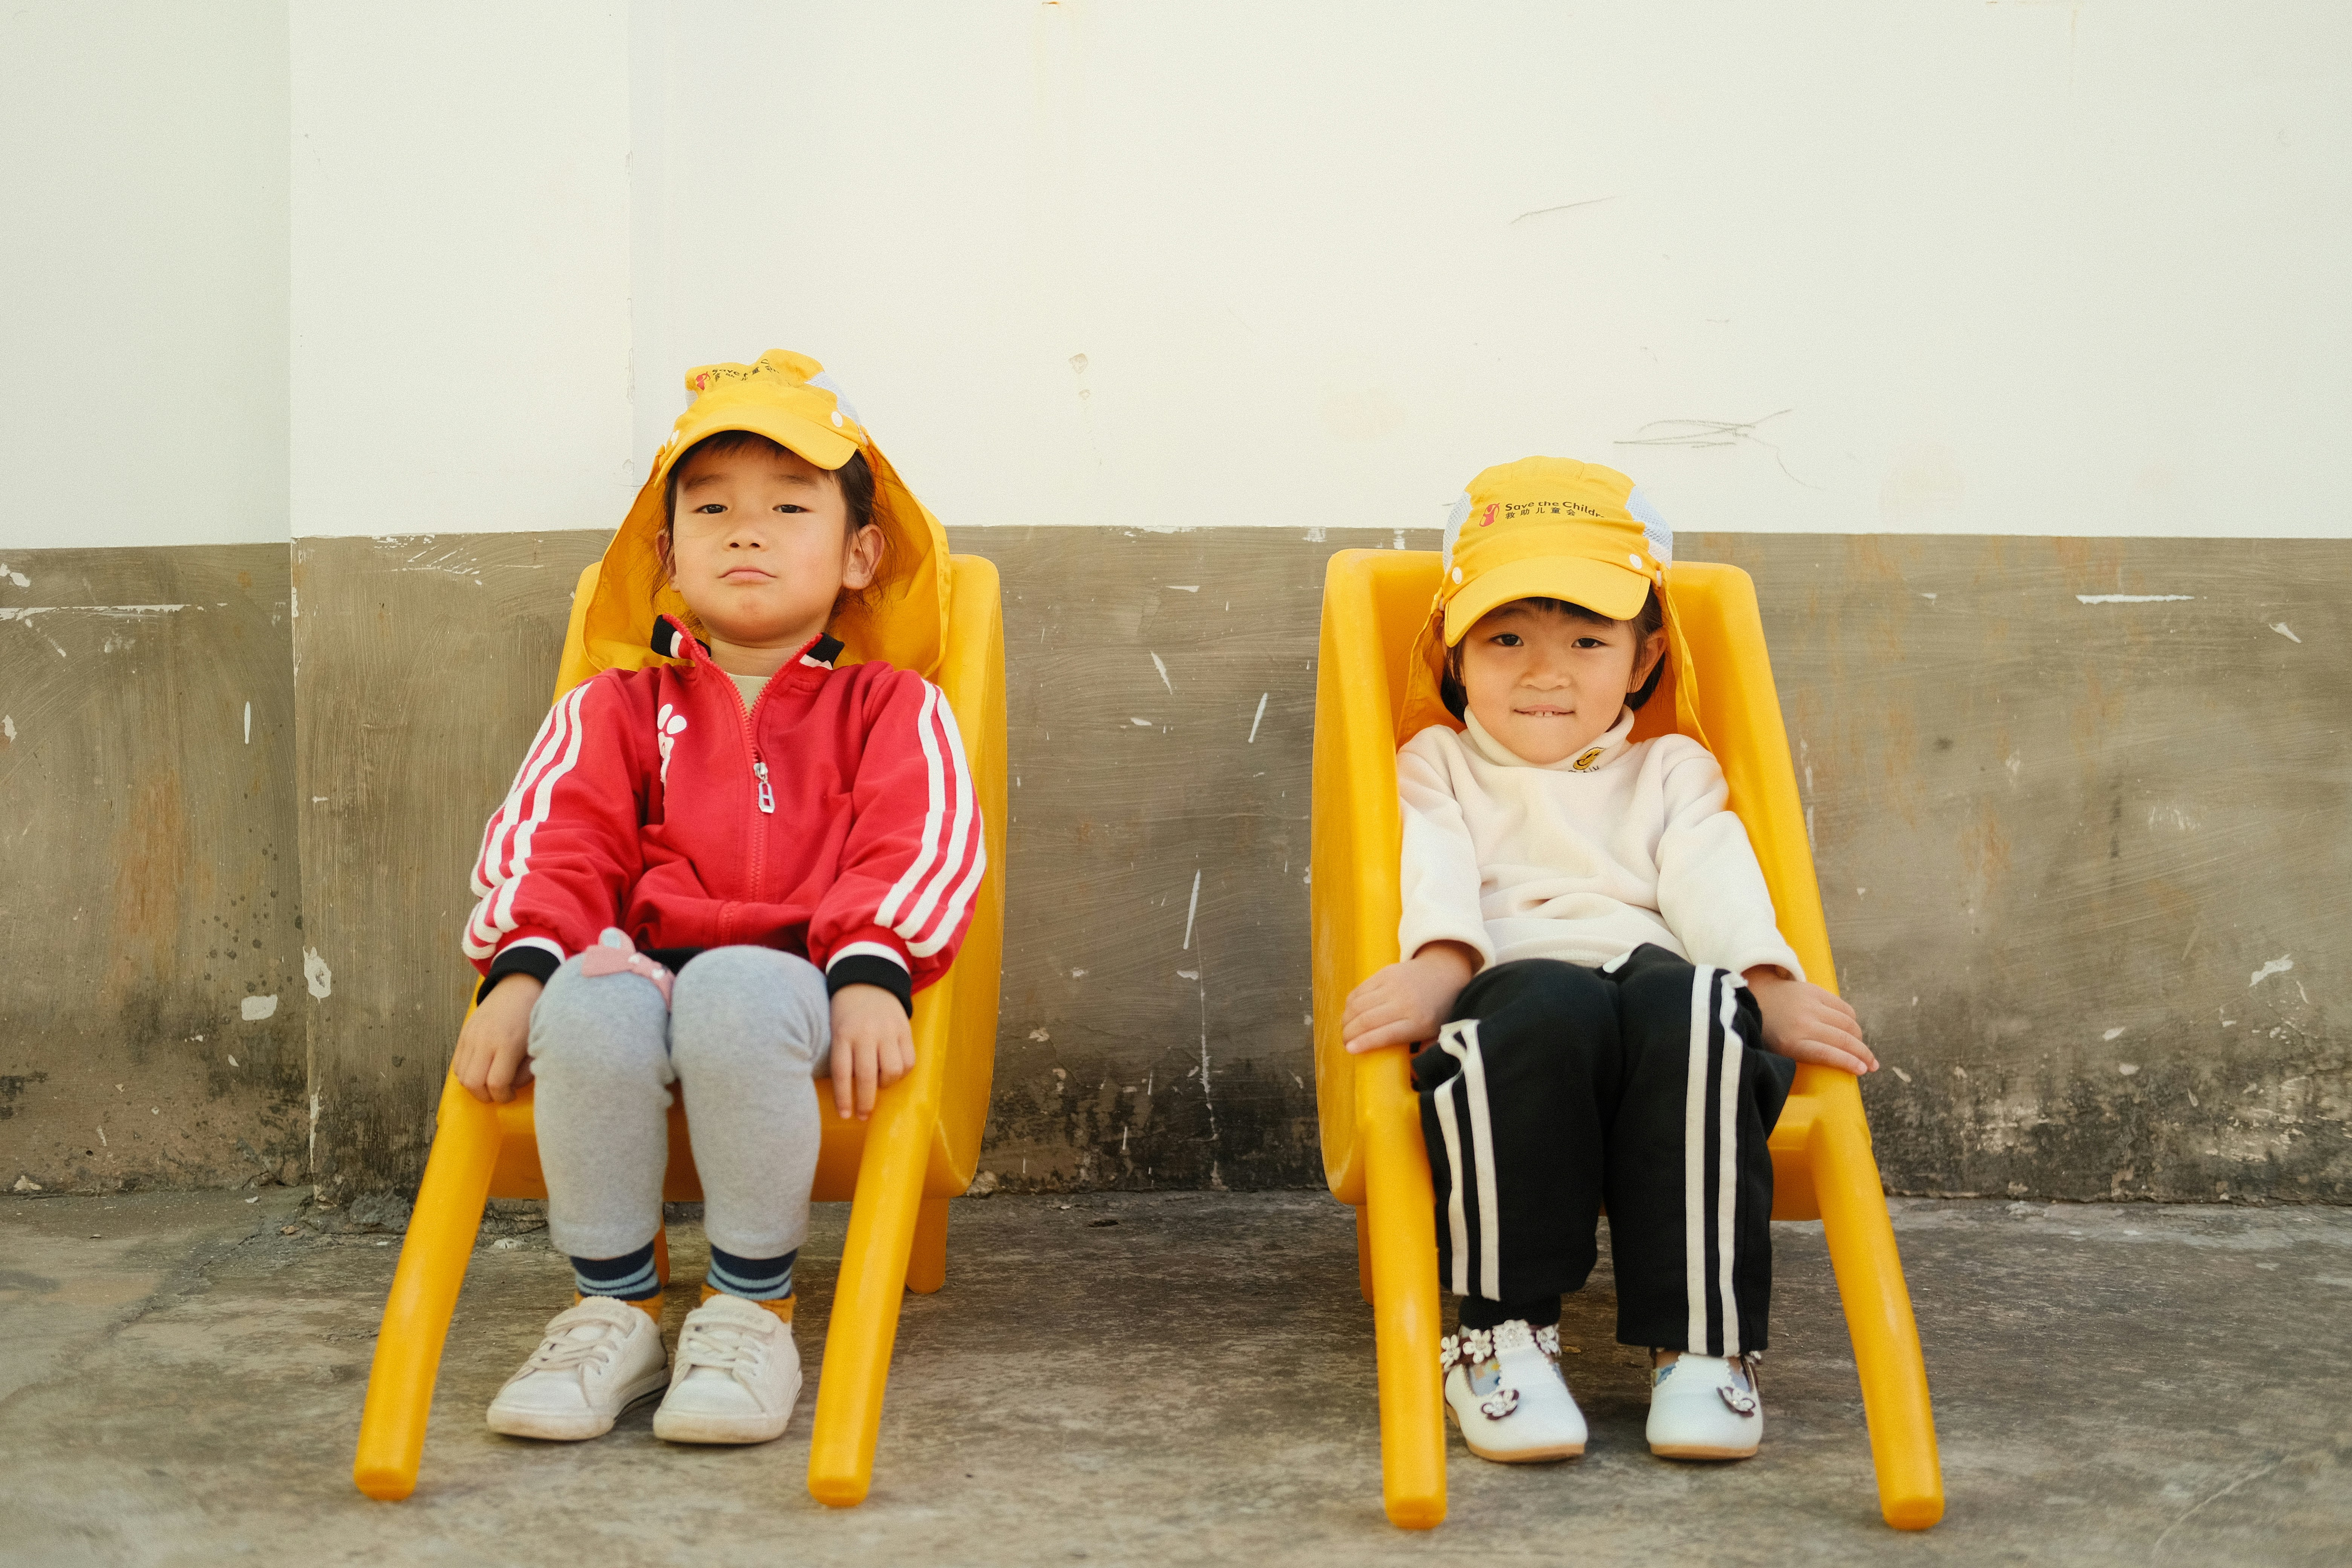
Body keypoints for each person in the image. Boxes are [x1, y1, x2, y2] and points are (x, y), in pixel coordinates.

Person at [448, 351, 982, 1446]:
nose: (748, 532)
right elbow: (558, 842)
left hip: (807, 985)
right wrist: (518, 971)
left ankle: (749, 1306)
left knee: (738, 987)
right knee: (587, 1004)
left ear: (858, 554)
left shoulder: (892, 707)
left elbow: (917, 841)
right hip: (640, 967)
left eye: (791, 507)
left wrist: (877, 966)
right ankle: (617, 1307)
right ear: (667, 555)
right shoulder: (617, 708)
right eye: (713, 510)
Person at [1340, 457, 1877, 1465]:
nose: (1546, 673)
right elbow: (1435, 867)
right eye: (1507, 640)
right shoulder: (1439, 763)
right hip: (1513, 995)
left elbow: (1713, 873)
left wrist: (1768, 988)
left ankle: (1703, 1348)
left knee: (1700, 1009)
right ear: (1455, 657)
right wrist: (1441, 965)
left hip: (1657, 1001)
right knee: (1542, 1007)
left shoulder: (1670, 768)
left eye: (1588, 641)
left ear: (1642, 663)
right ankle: (1501, 1336)